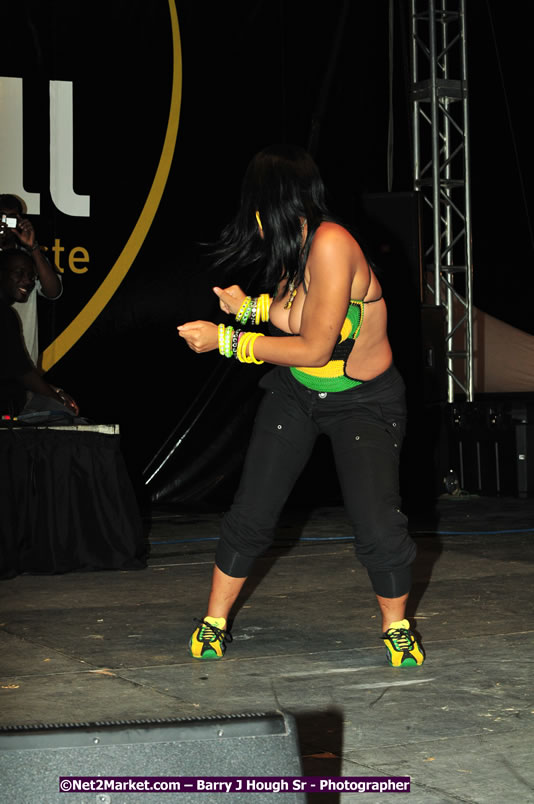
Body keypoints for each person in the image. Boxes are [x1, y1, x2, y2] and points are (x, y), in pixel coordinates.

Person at [177, 144, 424, 668]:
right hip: (296, 393)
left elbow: (315, 346)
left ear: (270, 202)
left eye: (255, 207)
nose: (253, 219)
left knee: (377, 522)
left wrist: (227, 340)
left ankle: (397, 627)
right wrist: (249, 308)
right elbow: (297, 318)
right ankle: (214, 620)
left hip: (363, 402)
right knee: (253, 509)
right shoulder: (298, 243)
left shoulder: (330, 243)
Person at [0, 249, 77, 417]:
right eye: (19, 273)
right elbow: (23, 373)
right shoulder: (4, 315)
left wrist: (54, 391)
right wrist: (59, 402)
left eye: (31, 276)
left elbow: (17, 368)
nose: (28, 281)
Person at [0, 194, 62, 365]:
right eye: (1, 217)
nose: (4, 224)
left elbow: (54, 292)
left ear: (20, 222)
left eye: (10, 219)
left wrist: (33, 248)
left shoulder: (28, 259)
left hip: (23, 362)